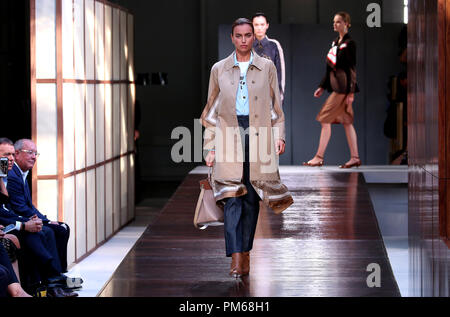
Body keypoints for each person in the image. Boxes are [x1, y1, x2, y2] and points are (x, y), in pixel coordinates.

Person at [200, 18, 293, 278]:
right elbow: (211, 111)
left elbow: (276, 105)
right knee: (231, 196)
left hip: (258, 131)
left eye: (247, 35)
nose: (243, 40)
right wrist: (211, 145)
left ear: (254, 37)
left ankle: (247, 252)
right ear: (232, 38)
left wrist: (279, 136)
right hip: (229, 132)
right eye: (238, 35)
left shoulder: (267, 66)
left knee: (252, 197)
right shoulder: (219, 69)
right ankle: (236, 255)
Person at [0, 138, 80, 296]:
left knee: (49, 229)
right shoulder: (11, 176)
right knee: (38, 232)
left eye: (11, 155)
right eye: (6, 155)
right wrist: (25, 224)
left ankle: (54, 280)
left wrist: (35, 221)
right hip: (6, 225)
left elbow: (6, 210)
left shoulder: (7, 176)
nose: (11, 159)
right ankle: (51, 280)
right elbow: (7, 212)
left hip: (7, 221)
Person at [303, 12, 361, 168]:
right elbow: (329, 69)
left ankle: (319, 157)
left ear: (346, 24)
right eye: (334, 22)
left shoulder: (350, 44)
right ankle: (355, 157)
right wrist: (322, 86)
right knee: (347, 123)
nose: (335, 24)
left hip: (343, 90)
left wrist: (350, 93)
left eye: (338, 22)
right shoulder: (335, 43)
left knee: (324, 119)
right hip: (337, 87)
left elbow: (351, 70)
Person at [252, 12, 285, 102]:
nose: (259, 28)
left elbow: (280, 72)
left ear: (267, 25)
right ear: (252, 26)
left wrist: (279, 97)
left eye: (262, 24)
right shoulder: (246, 45)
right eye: (256, 25)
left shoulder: (274, 45)